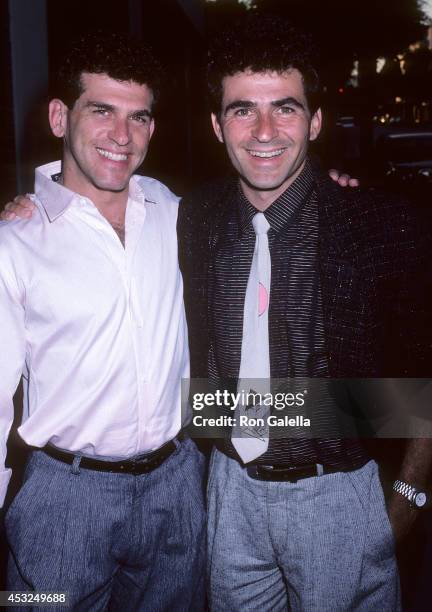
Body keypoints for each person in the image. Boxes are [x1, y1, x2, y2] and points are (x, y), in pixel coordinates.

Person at [177, 15, 432, 612]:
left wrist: (409, 503)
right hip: (228, 493)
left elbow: (424, 380)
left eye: (285, 108)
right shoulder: (196, 217)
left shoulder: (381, 225)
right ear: (217, 125)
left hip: (339, 496)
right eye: (242, 110)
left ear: (315, 121)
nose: (264, 130)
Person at [0, 33, 205, 610]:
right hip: (62, 501)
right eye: (102, 111)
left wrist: (334, 191)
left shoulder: (175, 212)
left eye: (138, 117)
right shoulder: (15, 241)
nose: (123, 136)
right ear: (60, 115)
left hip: (178, 486)